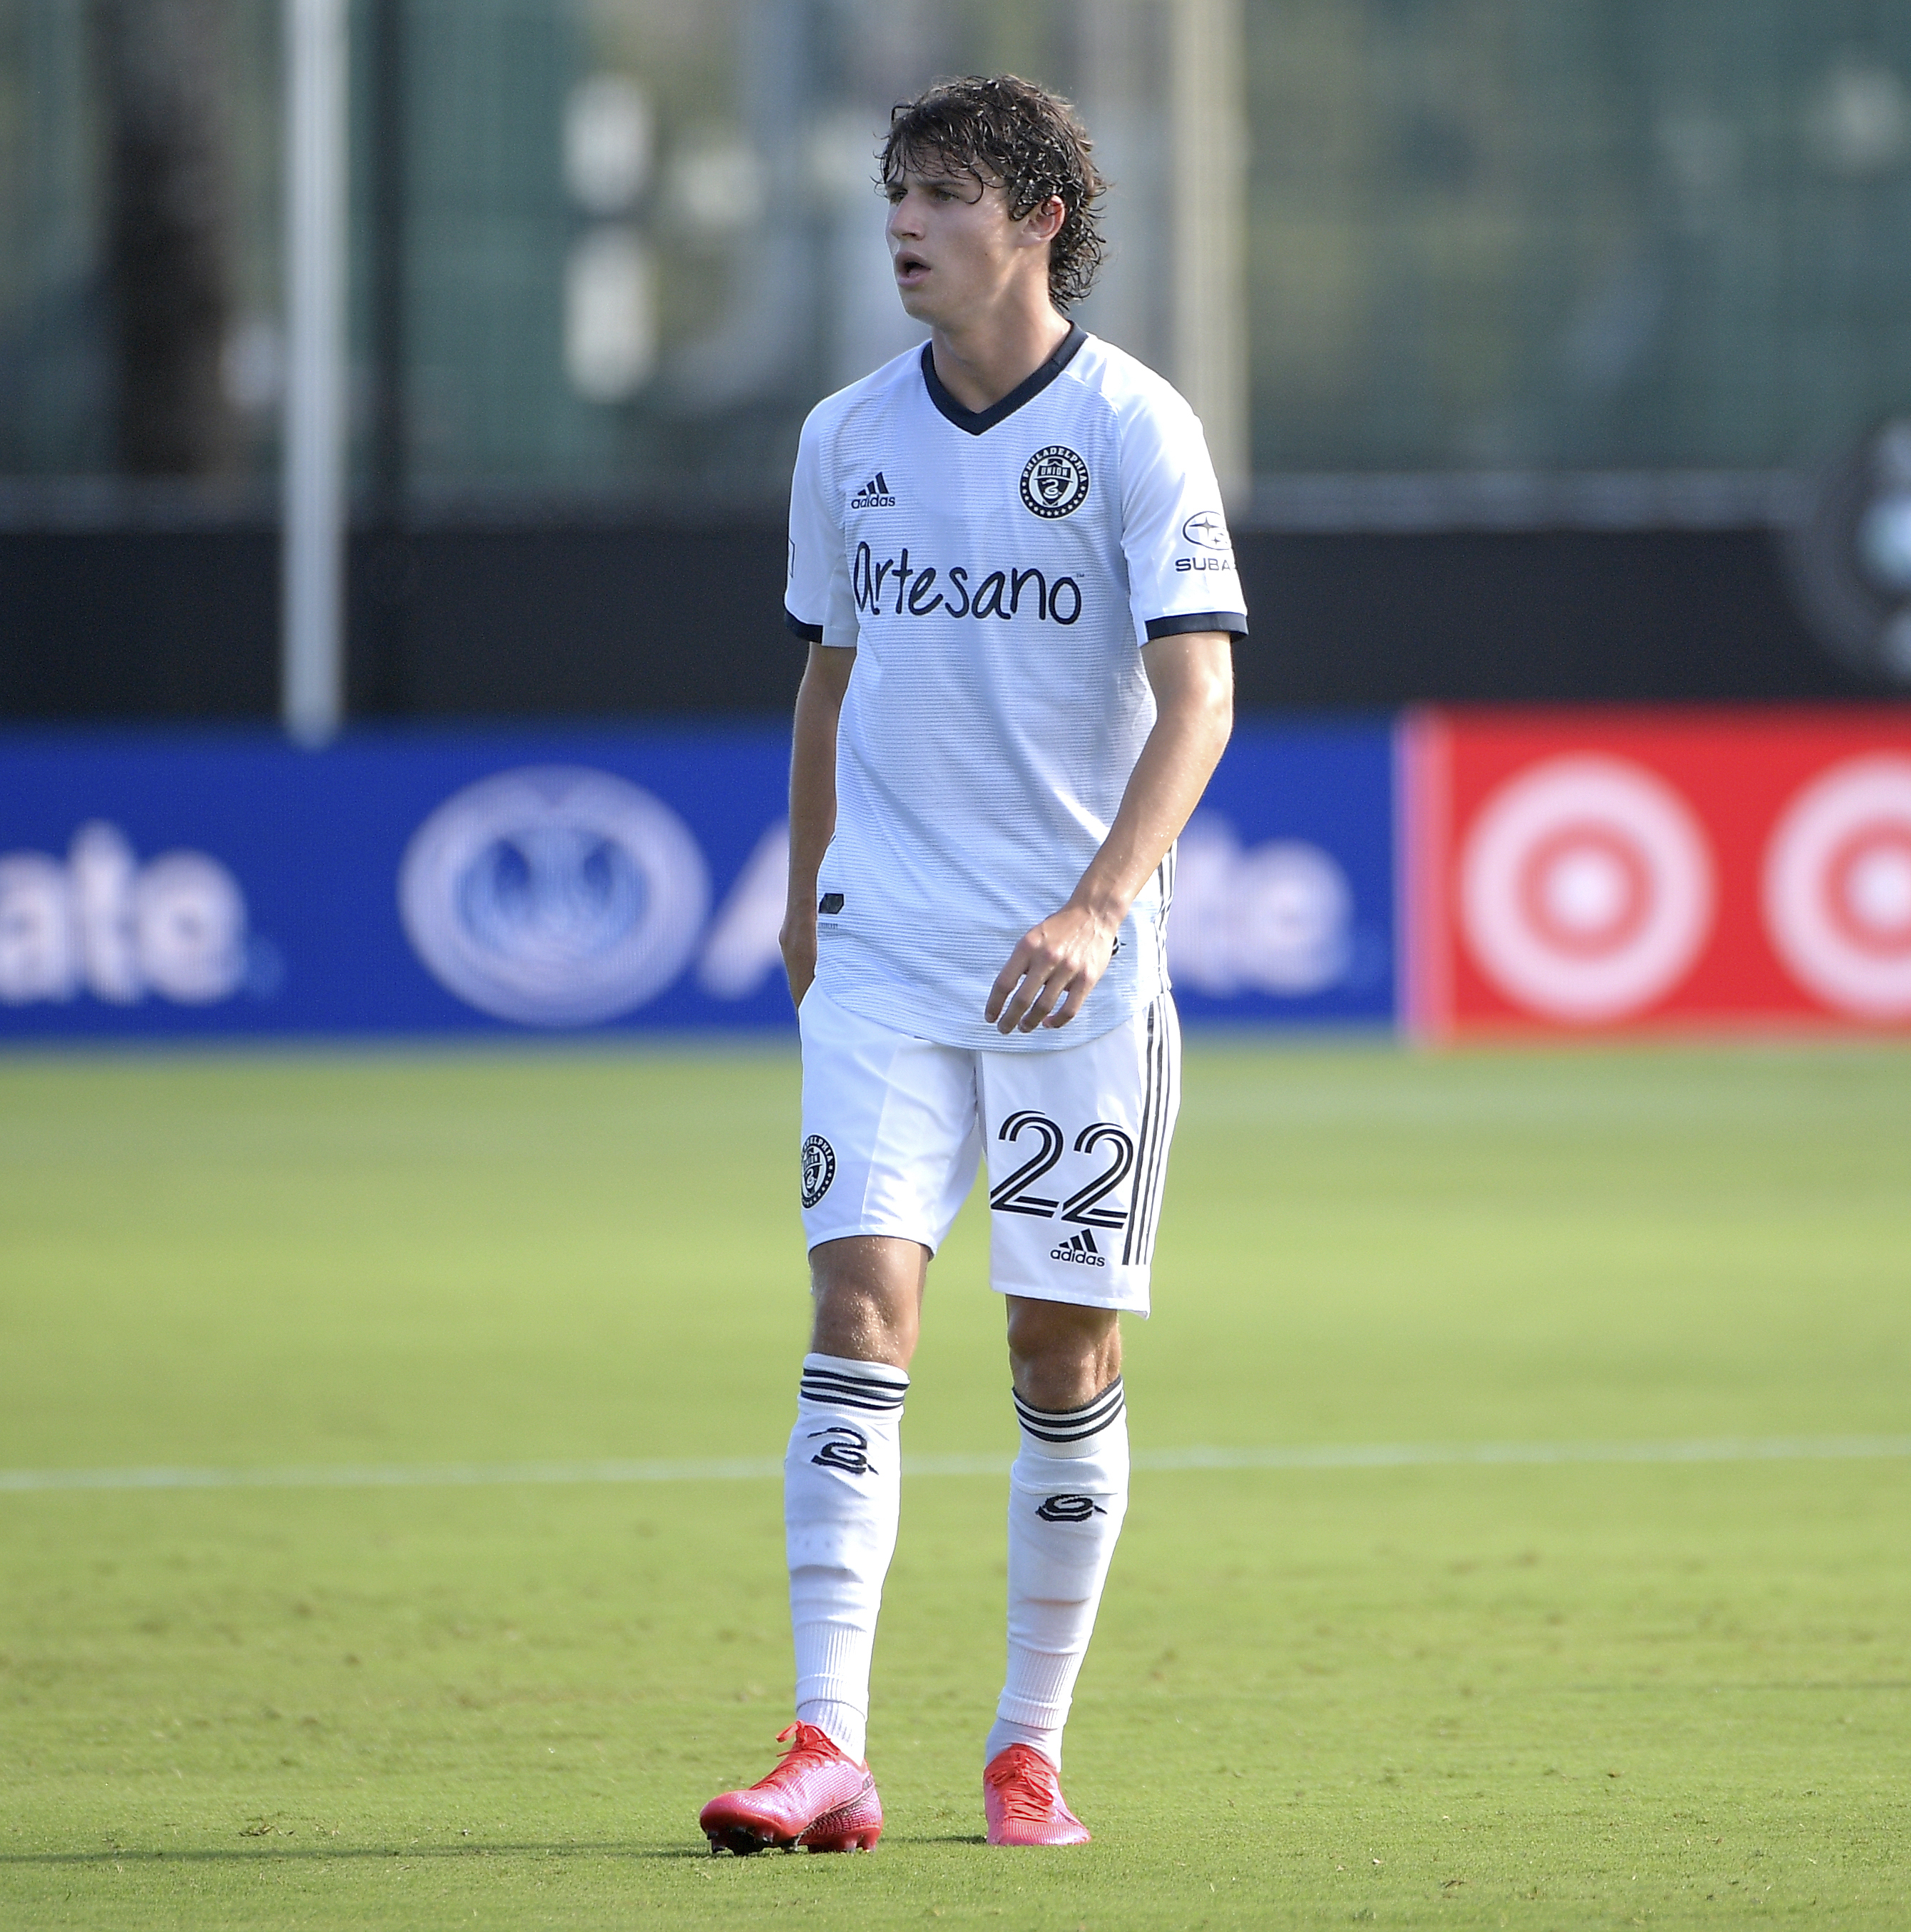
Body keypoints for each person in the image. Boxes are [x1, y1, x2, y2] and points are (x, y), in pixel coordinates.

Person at [697, 73, 1243, 1856]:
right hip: (882, 957)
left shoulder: (1142, 429)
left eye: (939, 194)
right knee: (856, 1310)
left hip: (1073, 981)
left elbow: (1199, 696)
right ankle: (824, 1740)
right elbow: (827, 678)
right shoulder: (843, 437)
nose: (902, 225)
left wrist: (1096, 905)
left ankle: (1025, 1745)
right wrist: (803, 900)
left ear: (1036, 224)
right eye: (892, 192)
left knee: (1056, 1346)